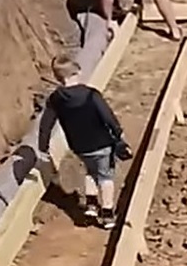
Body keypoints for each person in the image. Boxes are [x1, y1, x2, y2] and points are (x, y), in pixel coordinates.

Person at [40, 57, 130, 230]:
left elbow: (46, 124)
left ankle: (91, 204)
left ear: (58, 77)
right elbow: (107, 116)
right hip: (102, 144)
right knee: (105, 177)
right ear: (77, 72)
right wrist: (118, 134)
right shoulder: (91, 94)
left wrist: (43, 145)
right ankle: (107, 214)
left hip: (80, 146)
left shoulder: (55, 99)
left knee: (90, 170)